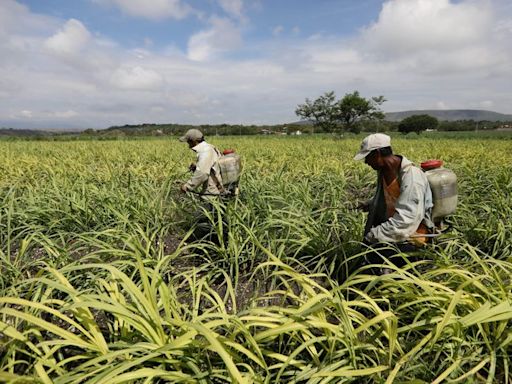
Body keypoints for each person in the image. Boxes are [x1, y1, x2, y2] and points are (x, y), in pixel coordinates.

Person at [354, 133, 435, 270]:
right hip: (395, 229)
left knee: (376, 259)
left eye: (368, 157)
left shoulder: (412, 178)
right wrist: (370, 203)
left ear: (378, 153)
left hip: (413, 235)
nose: (366, 162)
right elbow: (392, 196)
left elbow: (406, 221)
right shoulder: (385, 171)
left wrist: (373, 235)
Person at [179, 129, 227, 245]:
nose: (188, 145)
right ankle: (217, 241)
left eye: (188, 142)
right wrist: (196, 167)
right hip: (218, 190)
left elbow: (202, 174)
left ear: (194, 141)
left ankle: (196, 245)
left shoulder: (205, 152)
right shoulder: (210, 147)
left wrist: (187, 186)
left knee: (201, 219)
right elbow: (210, 168)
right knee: (216, 219)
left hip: (212, 193)